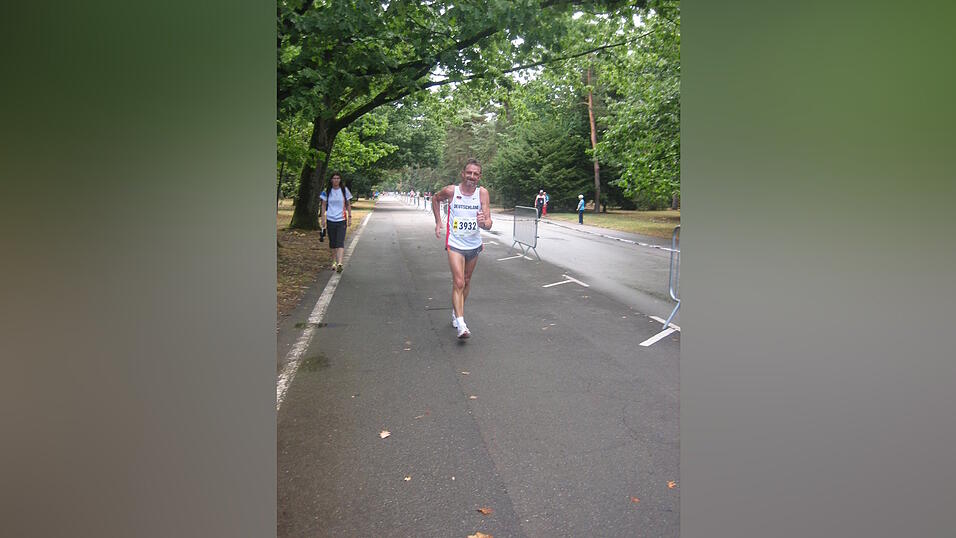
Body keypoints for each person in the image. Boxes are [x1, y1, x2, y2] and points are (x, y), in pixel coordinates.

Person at [431, 159, 492, 339]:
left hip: (474, 245)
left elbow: (488, 222)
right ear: (463, 174)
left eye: (475, 174)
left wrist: (484, 223)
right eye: (469, 173)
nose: (471, 177)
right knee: (458, 281)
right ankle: (461, 324)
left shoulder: (482, 194)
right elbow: (435, 198)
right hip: (455, 244)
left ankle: (456, 312)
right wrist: (438, 222)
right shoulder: (451, 191)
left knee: (466, 280)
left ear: (479, 176)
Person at [319, 172, 352, 273]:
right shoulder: (327, 191)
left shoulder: (344, 190)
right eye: (334, 178)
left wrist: (350, 217)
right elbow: (323, 205)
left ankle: (340, 263)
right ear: (331, 180)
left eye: (338, 178)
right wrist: (323, 218)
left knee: (340, 242)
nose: (336, 180)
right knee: (332, 243)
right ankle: (333, 261)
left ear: (340, 180)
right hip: (330, 219)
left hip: (341, 220)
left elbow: (348, 204)